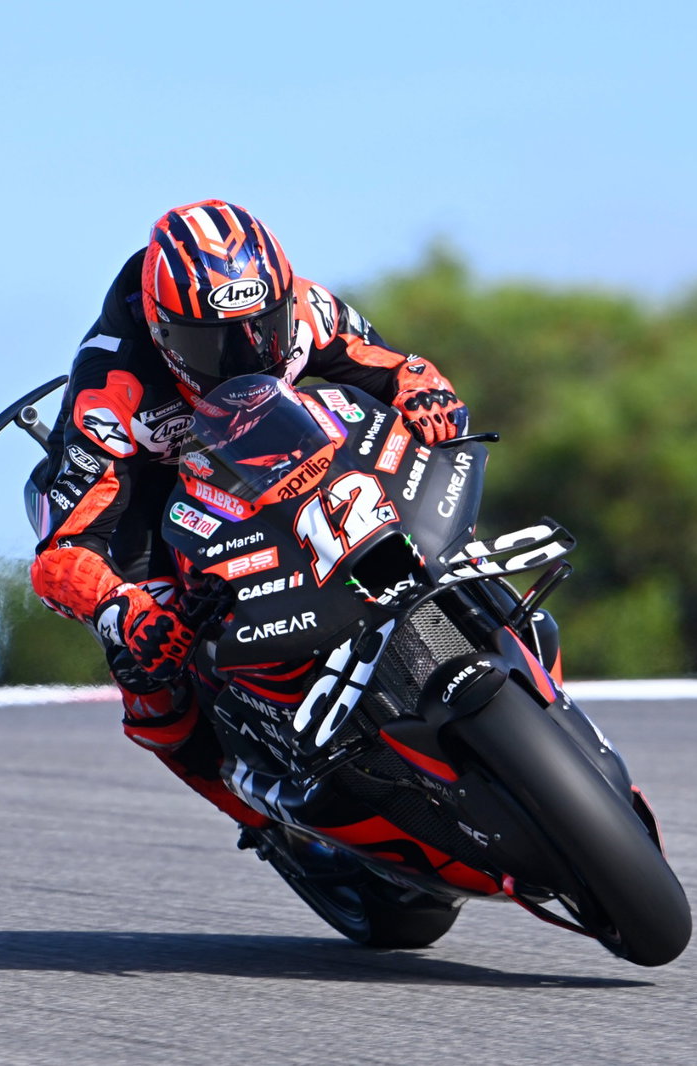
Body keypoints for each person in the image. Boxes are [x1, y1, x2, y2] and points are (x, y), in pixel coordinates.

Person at [27, 200, 467, 829]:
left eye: (261, 328)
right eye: (211, 343)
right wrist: (121, 609)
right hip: (151, 502)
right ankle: (258, 816)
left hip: (280, 447)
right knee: (149, 671)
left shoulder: (308, 309)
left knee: (410, 516)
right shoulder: (113, 390)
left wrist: (428, 396)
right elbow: (62, 553)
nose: (243, 354)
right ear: (162, 332)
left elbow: (400, 369)